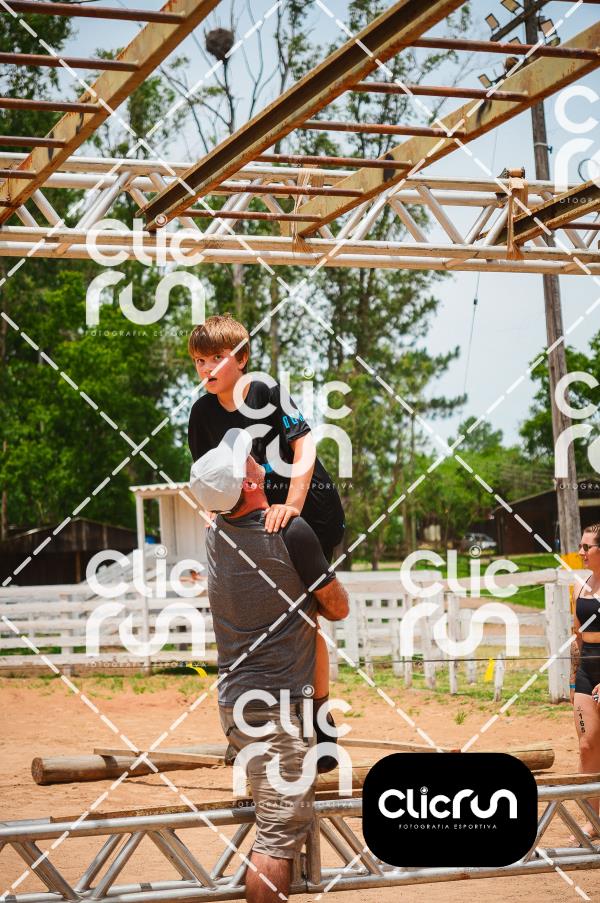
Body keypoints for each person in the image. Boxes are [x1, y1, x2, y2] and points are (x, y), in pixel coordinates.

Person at [189, 428, 349, 903]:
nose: (255, 458)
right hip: (275, 708)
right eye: (248, 460)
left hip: (237, 704)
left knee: (276, 825)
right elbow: (337, 607)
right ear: (249, 482)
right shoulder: (290, 533)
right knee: (279, 833)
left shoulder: (215, 536)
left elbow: (220, 512)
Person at [187, 314, 345, 745]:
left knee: (307, 619)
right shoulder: (201, 413)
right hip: (253, 520)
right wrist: (212, 514)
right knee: (252, 617)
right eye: (200, 361)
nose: (207, 368)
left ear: (241, 358)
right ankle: (252, 722)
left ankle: (320, 723)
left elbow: (304, 444)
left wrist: (292, 507)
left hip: (306, 511)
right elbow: (207, 474)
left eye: (217, 358)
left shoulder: (266, 391)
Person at [570, 522, 600, 841]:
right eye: (581, 546)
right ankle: (594, 820)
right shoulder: (579, 587)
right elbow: (576, 636)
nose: (581, 552)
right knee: (587, 746)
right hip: (587, 671)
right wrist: (572, 682)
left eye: (586, 547)